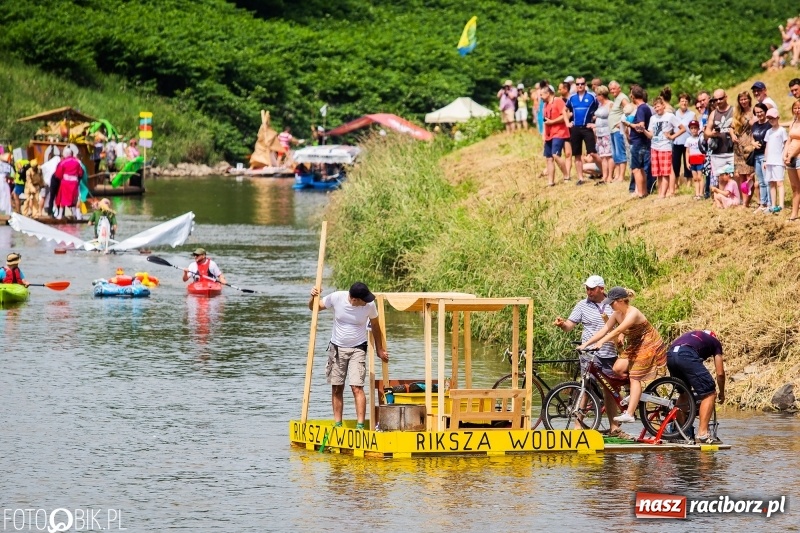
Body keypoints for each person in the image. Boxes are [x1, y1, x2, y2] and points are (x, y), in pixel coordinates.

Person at [578, 287, 667, 424]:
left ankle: (630, 413)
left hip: (649, 344)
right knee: (617, 369)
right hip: (635, 345)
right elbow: (605, 329)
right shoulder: (616, 314)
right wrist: (586, 344)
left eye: (611, 303)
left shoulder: (633, 313)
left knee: (634, 377)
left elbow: (619, 329)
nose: (609, 305)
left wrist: (601, 342)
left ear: (620, 301)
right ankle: (632, 394)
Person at [309, 282, 389, 430]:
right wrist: (312, 296)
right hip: (337, 348)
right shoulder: (336, 298)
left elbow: (376, 326)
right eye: (363, 299)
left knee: (356, 387)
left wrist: (379, 349)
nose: (367, 301)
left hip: (358, 348)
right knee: (337, 387)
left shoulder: (369, 305)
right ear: (354, 299)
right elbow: (314, 308)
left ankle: (359, 426)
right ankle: (338, 424)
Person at [554, 275, 626, 436]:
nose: (589, 292)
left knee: (610, 389)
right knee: (586, 387)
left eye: (592, 289)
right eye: (587, 288)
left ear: (601, 288)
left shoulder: (613, 304)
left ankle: (614, 427)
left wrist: (621, 337)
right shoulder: (582, 305)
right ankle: (577, 426)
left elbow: (623, 326)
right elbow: (569, 326)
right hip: (589, 354)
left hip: (609, 353)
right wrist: (562, 324)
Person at [667, 330, 725, 444]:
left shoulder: (692, 336)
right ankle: (703, 434)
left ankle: (680, 432)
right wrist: (722, 393)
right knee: (709, 393)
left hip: (670, 355)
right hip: (686, 355)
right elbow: (720, 373)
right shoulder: (715, 342)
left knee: (684, 393)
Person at [645, 96, 685, 198]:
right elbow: (651, 134)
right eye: (655, 107)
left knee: (666, 172)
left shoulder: (670, 116)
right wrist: (643, 131)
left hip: (665, 147)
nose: (656, 109)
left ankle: (665, 194)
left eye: (658, 106)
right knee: (658, 172)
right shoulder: (652, 118)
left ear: (663, 105)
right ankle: (660, 193)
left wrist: (672, 136)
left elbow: (682, 128)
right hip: (654, 147)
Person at [566, 77, 599, 185]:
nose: (580, 86)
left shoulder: (592, 97)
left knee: (593, 152)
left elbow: (600, 108)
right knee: (577, 154)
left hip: (587, 127)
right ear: (575, 85)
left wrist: (595, 122)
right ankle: (581, 178)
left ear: (585, 85)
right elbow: (565, 110)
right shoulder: (572, 98)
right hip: (575, 128)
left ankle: (605, 173)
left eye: (582, 84)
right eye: (578, 84)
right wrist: (567, 122)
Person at [622, 85, 653, 197]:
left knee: (636, 169)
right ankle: (644, 191)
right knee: (641, 168)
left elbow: (641, 127)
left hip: (639, 142)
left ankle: (640, 192)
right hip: (644, 142)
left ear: (633, 97)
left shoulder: (640, 109)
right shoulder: (646, 108)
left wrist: (629, 124)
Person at [704, 89, 735, 190]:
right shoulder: (713, 113)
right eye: (716, 99)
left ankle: (736, 199)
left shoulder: (734, 111)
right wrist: (712, 134)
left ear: (726, 97)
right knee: (720, 179)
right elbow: (706, 132)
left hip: (732, 150)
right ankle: (722, 200)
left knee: (734, 177)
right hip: (718, 152)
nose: (718, 101)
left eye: (720, 98)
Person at [542, 84, 570, 186]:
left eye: (541, 95)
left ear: (547, 93)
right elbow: (545, 121)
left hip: (559, 132)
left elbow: (564, 116)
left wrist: (552, 122)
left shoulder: (558, 101)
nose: (540, 97)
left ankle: (566, 175)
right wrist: (544, 135)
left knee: (556, 155)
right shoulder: (545, 105)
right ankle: (551, 181)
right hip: (549, 134)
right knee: (549, 158)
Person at [732, 91, 755, 206]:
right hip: (738, 147)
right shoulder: (737, 113)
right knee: (741, 176)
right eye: (741, 100)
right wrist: (732, 135)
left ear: (749, 99)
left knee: (749, 176)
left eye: (745, 99)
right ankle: (745, 202)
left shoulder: (754, 111)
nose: (743, 101)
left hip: (749, 147)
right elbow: (730, 127)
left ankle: (748, 201)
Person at [764, 107, 787, 214]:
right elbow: (767, 146)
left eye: (773, 118)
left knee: (780, 182)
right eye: (769, 118)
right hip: (769, 160)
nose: (771, 120)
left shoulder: (782, 130)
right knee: (771, 183)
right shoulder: (768, 132)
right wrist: (765, 160)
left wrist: (785, 157)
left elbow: (786, 144)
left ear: (777, 118)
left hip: (779, 160)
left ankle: (781, 205)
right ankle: (773, 204)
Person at [608, 81, 630, 183]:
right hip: (612, 130)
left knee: (620, 153)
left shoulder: (622, 98)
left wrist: (622, 122)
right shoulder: (616, 99)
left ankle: (621, 176)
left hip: (618, 130)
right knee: (615, 154)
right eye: (610, 89)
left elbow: (629, 110)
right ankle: (617, 175)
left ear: (619, 88)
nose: (612, 91)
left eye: (614, 88)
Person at [751, 103, 772, 212]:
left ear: (765, 111)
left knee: (768, 180)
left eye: (761, 111)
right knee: (761, 181)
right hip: (756, 155)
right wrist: (753, 143)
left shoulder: (769, 124)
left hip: (766, 155)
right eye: (757, 112)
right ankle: (762, 203)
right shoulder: (754, 125)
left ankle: (770, 203)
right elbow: (752, 137)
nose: (759, 114)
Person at [672, 93, 696, 187]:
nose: (684, 103)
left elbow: (695, 128)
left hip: (688, 142)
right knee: (676, 163)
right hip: (677, 141)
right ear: (679, 102)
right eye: (682, 101)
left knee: (688, 162)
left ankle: (689, 182)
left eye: (686, 101)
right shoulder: (674, 114)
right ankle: (676, 182)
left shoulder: (692, 114)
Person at [782, 99, 800, 221]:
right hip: (790, 158)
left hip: (798, 157)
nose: (797, 110)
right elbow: (789, 140)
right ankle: (794, 214)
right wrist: (785, 154)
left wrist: (792, 155)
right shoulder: (793, 122)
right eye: (795, 108)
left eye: (799, 108)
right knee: (795, 187)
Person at [592, 85, 613, 184]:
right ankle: (604, 176)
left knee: (609, 155)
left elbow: (612, 117)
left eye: (597, 95)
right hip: (599, 133)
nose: (596, 97)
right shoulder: (600, 105)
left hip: (607, 133)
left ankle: (610, 176)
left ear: (602, 95)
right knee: (603, 156)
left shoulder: (610, 104)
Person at [685, 120, 706, 200]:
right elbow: (687, 151)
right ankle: (697, 193)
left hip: (700, 159)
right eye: (692, 128)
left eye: (695, 128)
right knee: (695, 178)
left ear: (698, 129)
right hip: (692, 160)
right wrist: (687, 162)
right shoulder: (688, 140)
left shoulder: (701, 138)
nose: (693, 130)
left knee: (700, 177)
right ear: (690, 129)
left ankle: (701, 194)